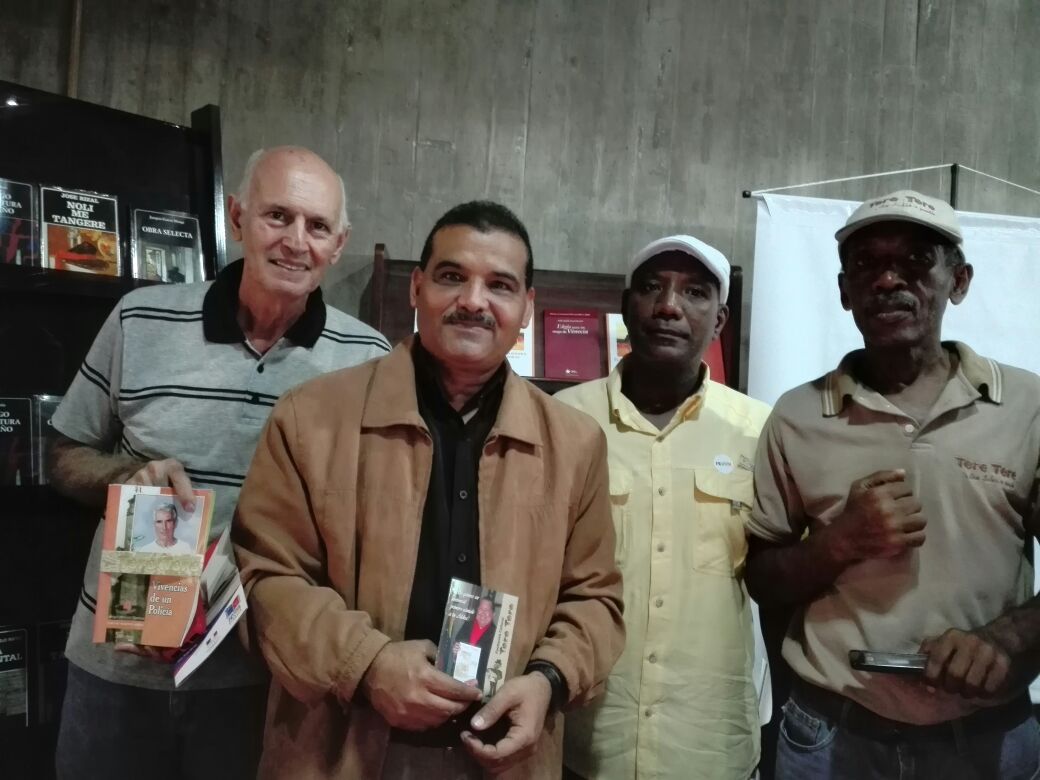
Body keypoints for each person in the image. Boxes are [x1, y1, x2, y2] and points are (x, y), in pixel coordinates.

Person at [232, 200, 625, 779]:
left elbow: (595, 599)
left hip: (504, 757)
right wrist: (366, 666)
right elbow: (265, 576)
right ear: (416, 288)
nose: (473, 301)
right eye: (451, 276)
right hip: (341, 750)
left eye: (500, 285)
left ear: (526, 308)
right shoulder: (312, 417)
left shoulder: (575, 443)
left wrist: (549, 681)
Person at [48, 145, 391, 780]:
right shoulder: (141, 318)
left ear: (339, 245)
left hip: (259, 674)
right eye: (277, 216)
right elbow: (63, 456)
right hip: (120, 664)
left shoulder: (368, 358)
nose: (296, 241)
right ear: (237, 217)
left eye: (318, 226)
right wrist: (126, 476)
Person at [745, 190, 1040, 779]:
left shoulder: (1027, 407)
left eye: (915, 261)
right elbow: (761, 578)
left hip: (989, 738)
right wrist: (840, 542)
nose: (886, 280)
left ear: (959, 281)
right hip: (830, 732)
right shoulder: (797, 416)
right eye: (866, 265)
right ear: (844, 291)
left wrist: (1009, 638)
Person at [557, 235, 772, 780]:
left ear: (719, 320)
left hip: (709, 747)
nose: (669, 306)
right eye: (652, 287)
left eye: (694, 292)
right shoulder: (564, 419)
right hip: (586, 740)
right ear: (626, 307)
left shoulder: (759, 431)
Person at [446, 595, 498, 685]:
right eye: (480, 609)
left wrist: (479, 681)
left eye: (487, 610)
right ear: (477, 610)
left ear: (493, 614)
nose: (483, 613)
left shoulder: (497, 635)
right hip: (457, 677)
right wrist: (455, 652)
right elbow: (456, 648)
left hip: (477, 685)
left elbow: (496, 667)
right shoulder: (466, 625)